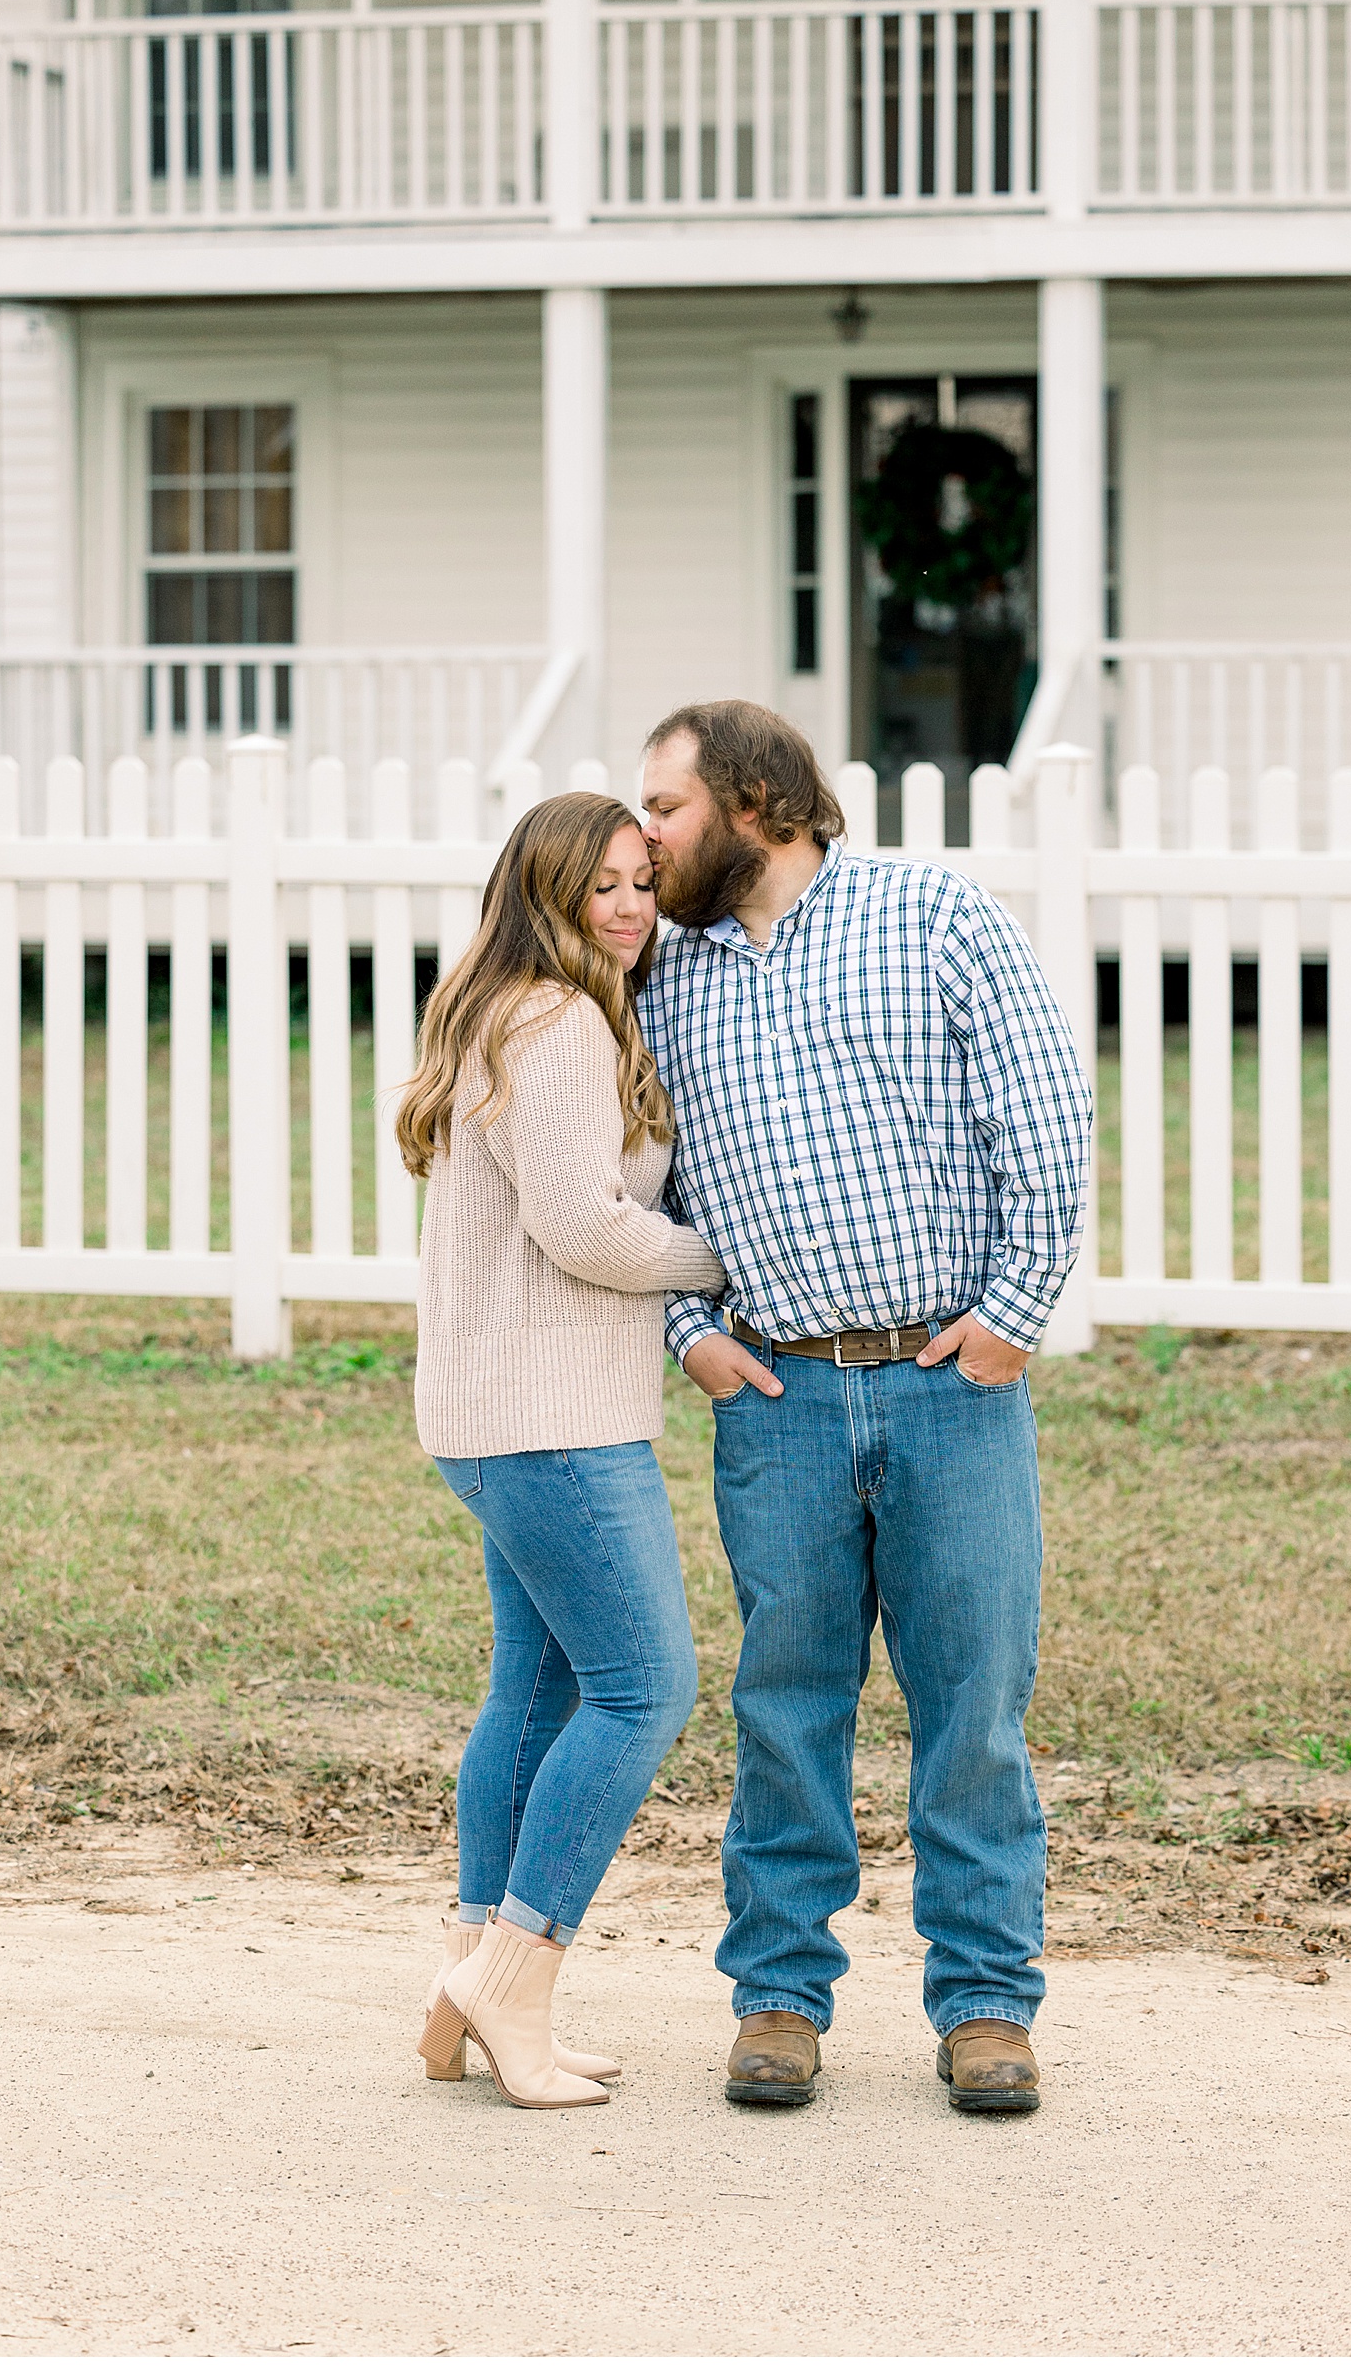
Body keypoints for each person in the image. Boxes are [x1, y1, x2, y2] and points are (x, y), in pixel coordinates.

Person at [636, 700, 1090, 2118]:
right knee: (787, 1702)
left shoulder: (933, 915)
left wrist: (1011, 1323)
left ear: (756, 801)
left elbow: (1050, 1114)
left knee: (973, 1703)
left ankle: (985, 2004)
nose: (641, 840)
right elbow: (625, 1179)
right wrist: (689, 1334)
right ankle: (777, 1993)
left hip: (947, 1385)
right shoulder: (666, 972)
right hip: (774, 1393)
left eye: (666, 808)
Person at [399, 792, 726, 2111]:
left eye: (644, 880)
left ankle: (470, 1974)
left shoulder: (503, 1006)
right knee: (647, 1687)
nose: (631, 906)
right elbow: (583, 1226)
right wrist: (724, 1258)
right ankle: (515, 1977)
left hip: (496, 1417)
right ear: (543, 892)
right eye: (600, 884)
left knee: (532, 1695)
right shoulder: (559, 1016)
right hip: (554, 1423)